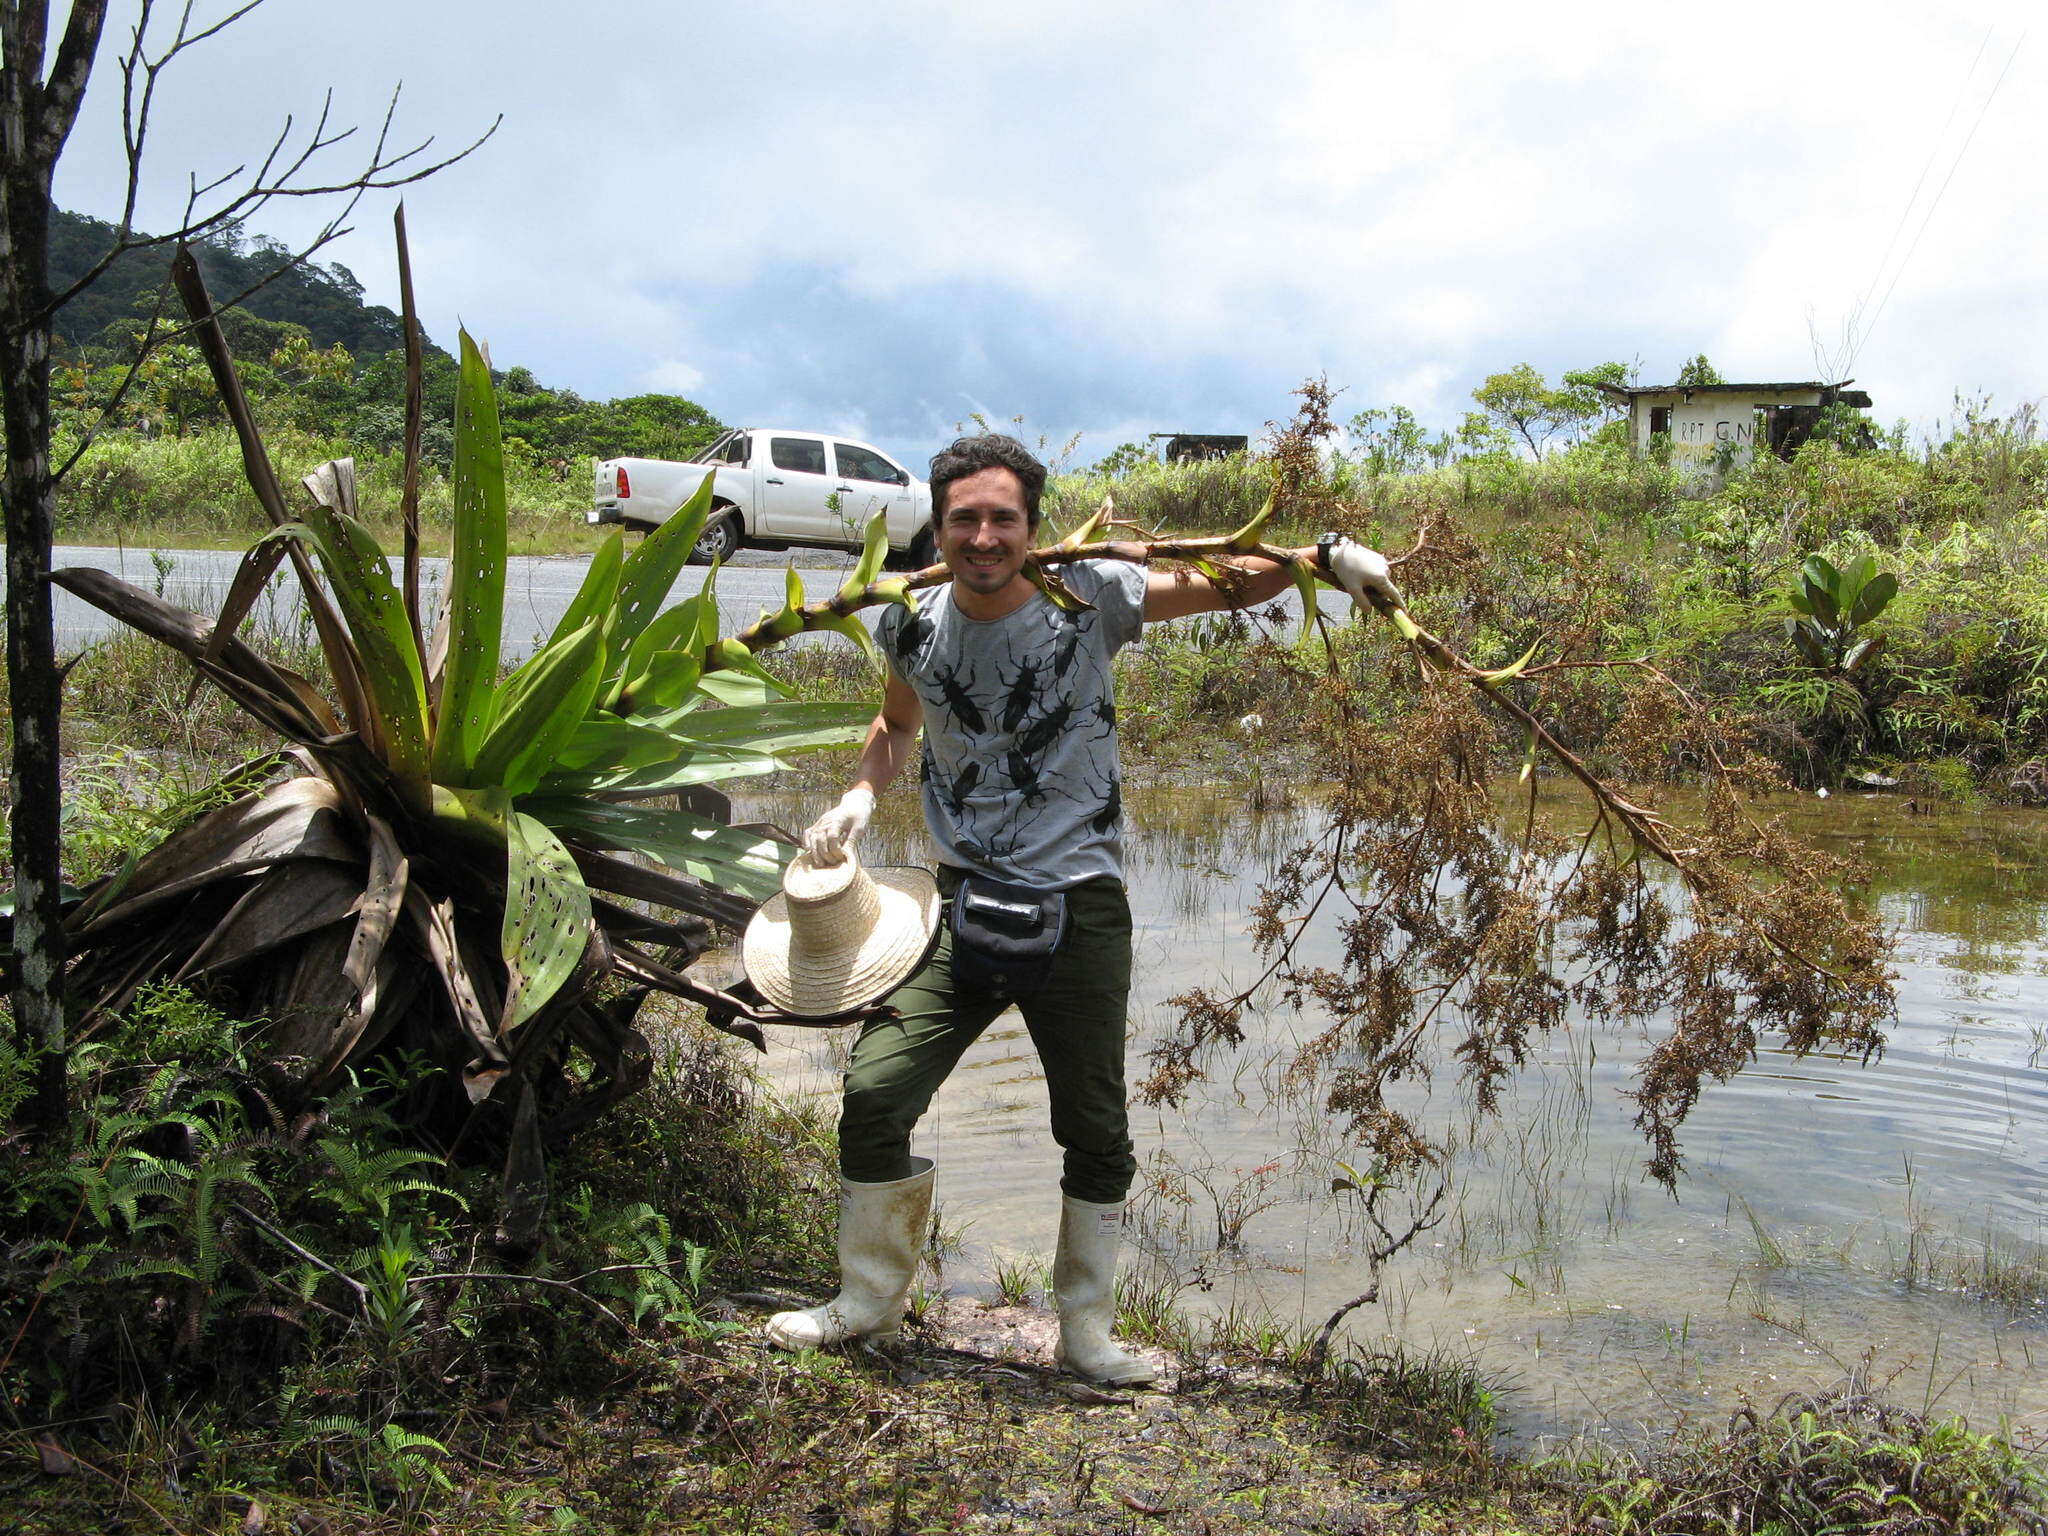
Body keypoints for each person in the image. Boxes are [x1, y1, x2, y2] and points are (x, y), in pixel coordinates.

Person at [764, 433, 1400, 1383]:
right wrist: (860, 795)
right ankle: (867, 1299)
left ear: (1033, 525)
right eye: (964, 518)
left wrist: (1321, 560)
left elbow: (1227, 583)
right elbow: (897, 724)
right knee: (873, 1094)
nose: (983, 536)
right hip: (956, 905)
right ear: (937, 525)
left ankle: (1087, 1331)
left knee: (1094, 1128)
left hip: (1080, 909)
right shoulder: (909, 620)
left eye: (1002, 518)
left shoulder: (1088, 596)